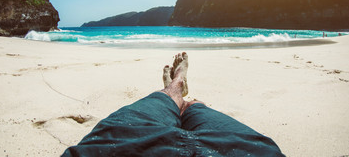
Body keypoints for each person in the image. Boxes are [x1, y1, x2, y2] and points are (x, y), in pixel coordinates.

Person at [62, 52, 285, 157]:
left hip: (121, 143)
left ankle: (175, 88)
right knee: (196, 108)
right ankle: (180, 91)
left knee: (163, 100)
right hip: (244, 150)